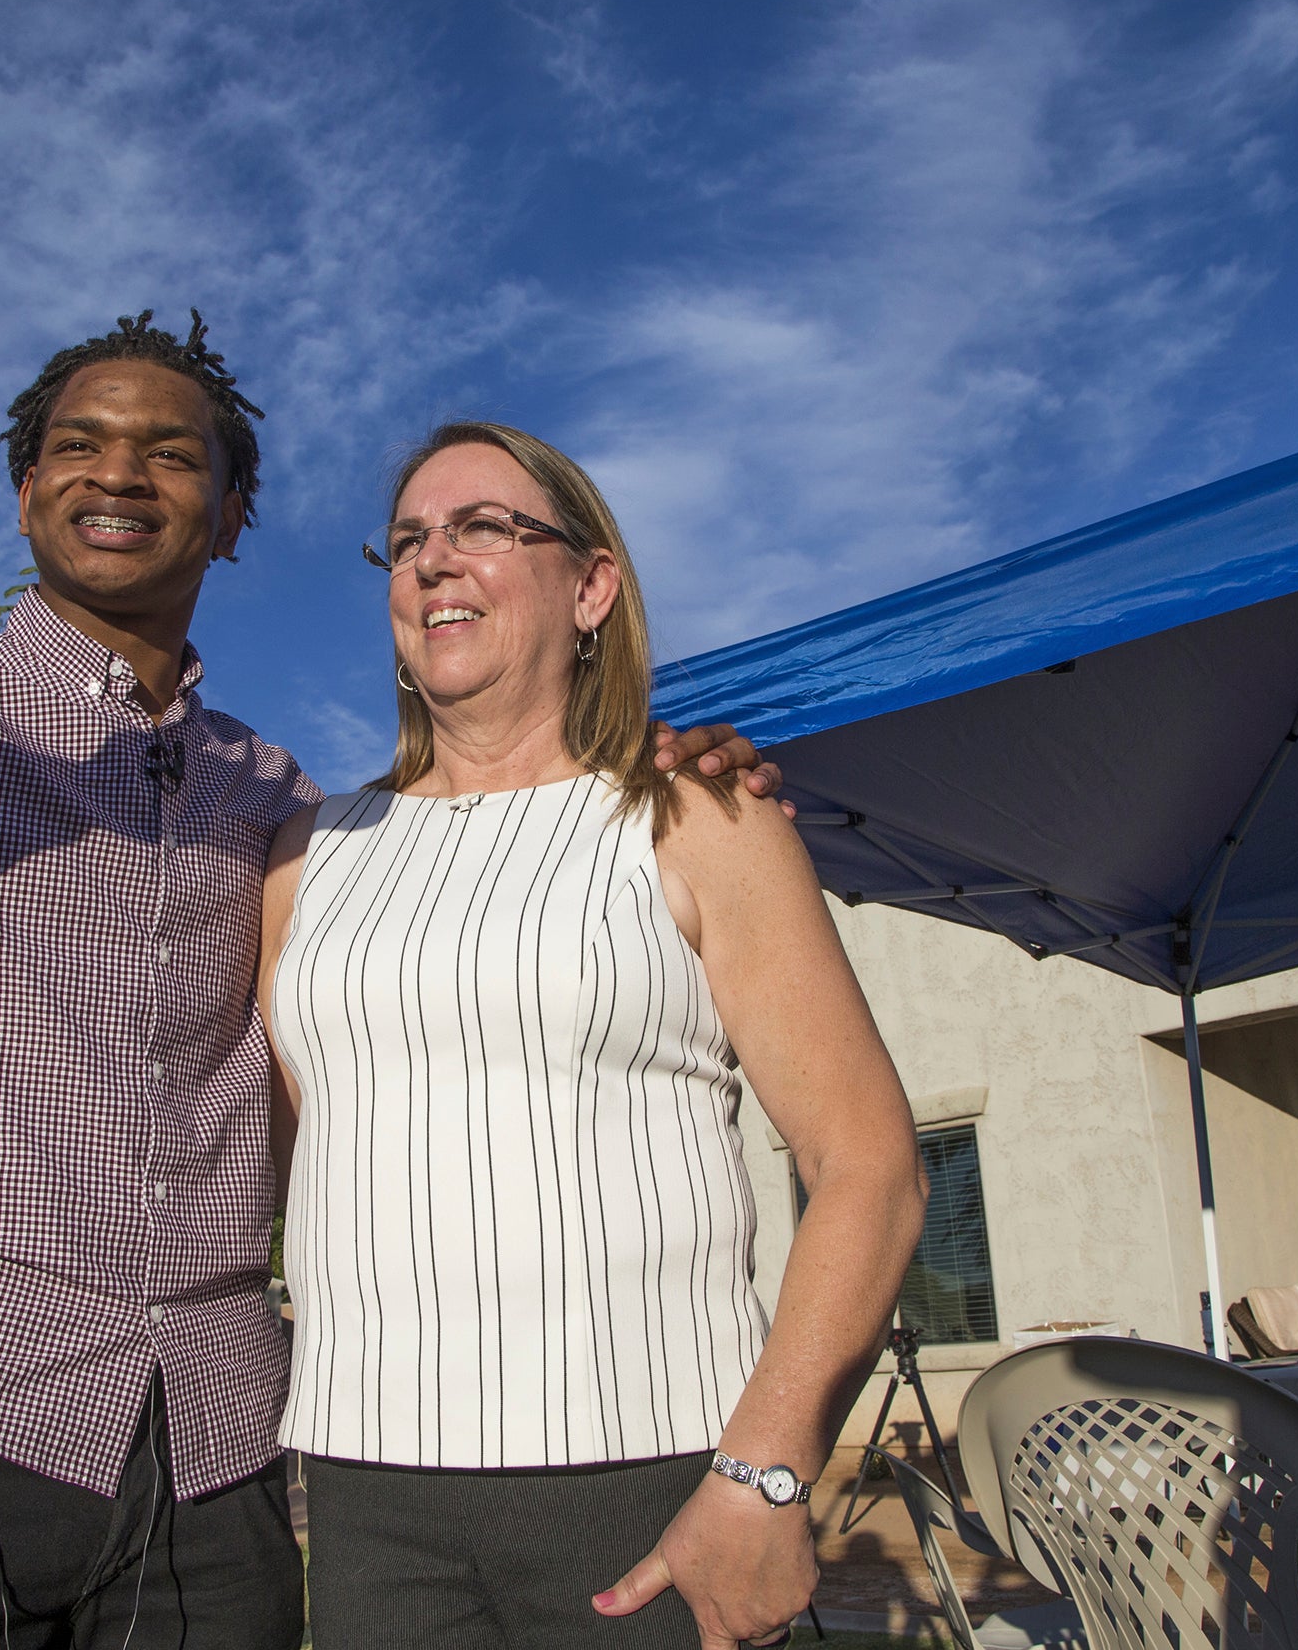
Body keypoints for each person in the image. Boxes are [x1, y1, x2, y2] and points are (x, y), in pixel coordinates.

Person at [0, 0, 781, 1650]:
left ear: (231, 514)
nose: (121, 468)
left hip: (214, 1454)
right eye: (78, 443)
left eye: (171, 451)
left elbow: (405, 993)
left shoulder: (289, 810)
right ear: (26, 492)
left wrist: (654, 756)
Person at [259, 423, 929, 1650]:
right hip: (364, 1498)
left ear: (592, 588)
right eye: (407, 540)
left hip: (648, 1482)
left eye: (483, 528)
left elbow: (870, 1167)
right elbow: (285, 1157)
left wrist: (768, 1473)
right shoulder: (309, 858)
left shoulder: (699, 817)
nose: (433, 560)